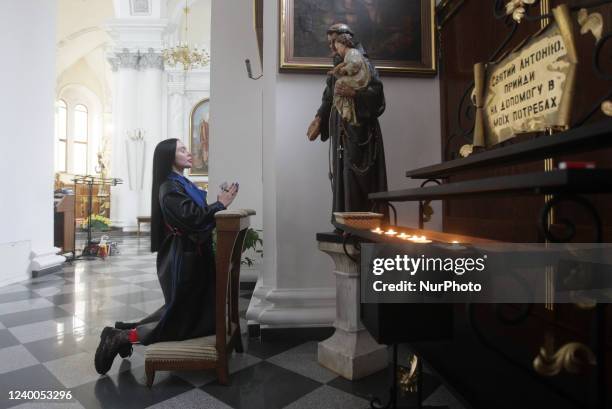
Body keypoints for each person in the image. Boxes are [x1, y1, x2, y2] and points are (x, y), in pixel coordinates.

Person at [94, 138, 238, 375]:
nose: (188, 152)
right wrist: (219, 205)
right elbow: (192, 219)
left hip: (194, 254)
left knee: (189, 314)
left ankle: (125, 330)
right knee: (182, 321)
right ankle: (122, 336)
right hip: (183, 258)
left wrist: (218, 203)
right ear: (170, 156)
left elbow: (198, 215)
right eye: (182, 149)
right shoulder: (169, 186)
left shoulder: (182, 182)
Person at [307, 23, 388, 222]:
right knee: (343, 176)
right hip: (341, 131)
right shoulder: (338, 67)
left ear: (345, 40)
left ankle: (362, 224)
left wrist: (354, 94)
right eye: (330, 43)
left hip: (361, 134)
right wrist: (319, 118)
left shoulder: (363, 63)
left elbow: (378, 98)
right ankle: (345, 222)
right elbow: (328, 98)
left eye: (333, 42)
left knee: (358, 177)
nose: (331, 48)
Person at [328, 33, 371, 126]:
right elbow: (327, 98)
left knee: (340, 83)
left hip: (360, 79)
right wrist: (336, 70)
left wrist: (344, 70)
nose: (334, 49)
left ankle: (346, 110)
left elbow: (355, 64)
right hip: (340, 127)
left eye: (337, 47)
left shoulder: (353, 52)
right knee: (340, 83)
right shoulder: (347, 55)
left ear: (343, 44)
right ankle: (346, 109)